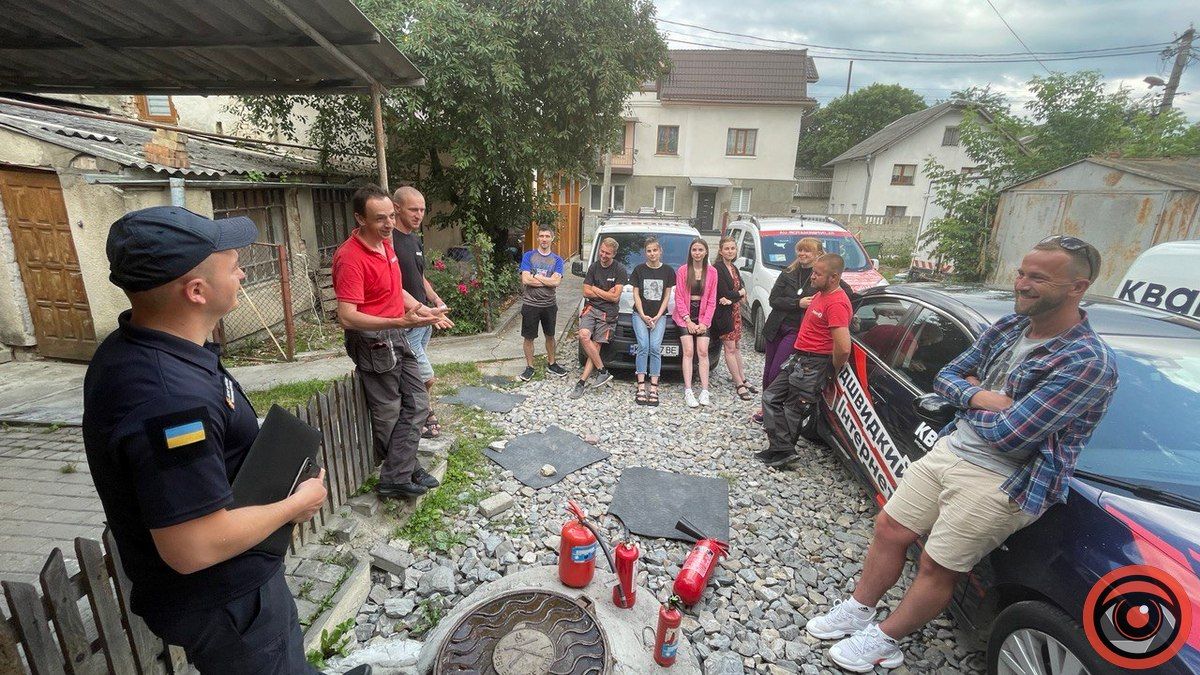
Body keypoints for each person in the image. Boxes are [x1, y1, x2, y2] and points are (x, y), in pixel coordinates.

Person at [808, 237, 1117, 673]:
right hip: (951, 448)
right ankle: (859, 608)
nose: (1022, 285)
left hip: (1002, 480)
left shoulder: (1087, 361)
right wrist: (980, 397)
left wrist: (970, 399)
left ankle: (884, 640)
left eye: (1038, 278)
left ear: (1077, 287)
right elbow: (946, 376)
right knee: (890, 528)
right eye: (1022, 273)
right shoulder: (1011, 328)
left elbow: (1013, 437)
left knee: (938, 564)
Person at [82, 206, 353, 674]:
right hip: (225, 599)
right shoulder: (169, 401)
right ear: (196, 291)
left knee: (286, 653)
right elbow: (193, 547)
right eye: (233, 266)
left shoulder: (145, 345)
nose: (244, 273)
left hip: (242, 577)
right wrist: (296, 505)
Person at [333, 185, 452, 501]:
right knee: (389, 412)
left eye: (389, 217)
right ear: (360, 218)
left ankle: (403, 469)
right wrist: (398, 321)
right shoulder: (350, 257)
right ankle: (398, 476)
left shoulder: (386, 246)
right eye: (379, 219)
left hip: (397, 334)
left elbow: (394, 291)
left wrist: (422, 308)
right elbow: (347, 316)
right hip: (372, 342)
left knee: (417, 401)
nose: (388, 224)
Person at [759, 253, 852, 466]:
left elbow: (844, 347)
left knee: (793, 409)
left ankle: (783, 453)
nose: (812, 277)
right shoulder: (821, 294)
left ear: (834, 277)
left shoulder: (837, 303)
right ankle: (780, 448)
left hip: (814, 363)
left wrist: (832, 370)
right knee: (770, 397)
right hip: (799, 358)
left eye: (818, 274)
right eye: (813, 272)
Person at [753, 237, 857, 424]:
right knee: (768, 371)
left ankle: (775, 412)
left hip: (796, 331)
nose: (802, 254)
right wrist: (797, 303)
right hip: (776, 326)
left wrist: (841, 314)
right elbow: (773, 299)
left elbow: (845, 293)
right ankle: (766, 408)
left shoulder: (823, 277)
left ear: (818, 255)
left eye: (807, 251)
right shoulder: (788, 273)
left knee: (778, 371)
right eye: (800, 250)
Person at [391, 186, 447, 439]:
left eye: (422, 210)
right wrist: (420, 309)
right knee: (426, 375)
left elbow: (419, 274)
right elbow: (391, 285)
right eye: (413, 209)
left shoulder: (414, 239)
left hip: (424, 318)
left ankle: (417, 412)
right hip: (408, 319)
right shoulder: (389, 241)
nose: (418, 215)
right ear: (397, 208)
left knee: (413, 371)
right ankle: (424, 412)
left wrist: (435, 299)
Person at [571, 237, 628, 399]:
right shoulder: (593, 267)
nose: (603, 255)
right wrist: (605, 293)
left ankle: (581, 382)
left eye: (607, 253)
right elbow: (585, 292)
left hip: (607, 313)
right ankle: (603, 371)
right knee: (583, 336)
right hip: (591, 308)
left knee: (595, 346)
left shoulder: (620, 270)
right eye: (601, 251)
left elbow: (615, 297)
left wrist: (595, 289)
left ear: (614, 254)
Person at [630, 236, 675, 406]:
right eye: (649, 251)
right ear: (645, 253)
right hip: (640, 315)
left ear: (660, 251)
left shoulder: (668, 271)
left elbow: (667, 295)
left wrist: (658, 314)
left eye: (655, 250)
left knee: (655, 347)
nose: (652, 253)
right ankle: (641, 385)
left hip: (659, 316)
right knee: (643, 346)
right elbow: (636, 294)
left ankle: (654, 387)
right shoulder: (639, 270)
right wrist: (642, 315)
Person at [518, 224, 567, 381]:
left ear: (552, 238)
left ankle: (552, 363)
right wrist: (548, 280)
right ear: (538, 238)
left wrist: (536, 277)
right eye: (542, 236)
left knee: (550, 335)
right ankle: (529, 367)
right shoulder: (528, 256)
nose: (544, 239)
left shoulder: (557, 260)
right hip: (530, 304)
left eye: (547, 236)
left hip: (549, 304)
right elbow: (525, 279)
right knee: (528, 337)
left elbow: (556, 283)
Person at [673, 238, 717, 408]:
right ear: (690, 252)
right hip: (686, 315)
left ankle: (705, 390)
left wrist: (705, 322)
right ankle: (688, 390)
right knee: (689, 351)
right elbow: (679, 298)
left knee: (703, 351)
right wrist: (687, 320)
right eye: (694, 250)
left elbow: (712, 300)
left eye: (700, 250)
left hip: (703, 314)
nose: (697, 253)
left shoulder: (712, 272)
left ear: (706, 252)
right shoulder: (683, 270)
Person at [711, 235, 756, 401]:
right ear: (721, 251)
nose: (730, 251)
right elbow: (723, 294)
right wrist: (739, 294)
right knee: (729, 348)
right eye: (727, 248)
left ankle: (742, 377)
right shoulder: (718, 268)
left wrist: (735, 297)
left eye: (732, 248)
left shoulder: (734, 268)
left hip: (735, 312)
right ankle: (738, 383)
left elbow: (739, 290)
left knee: (736, 347)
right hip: (724, 315)